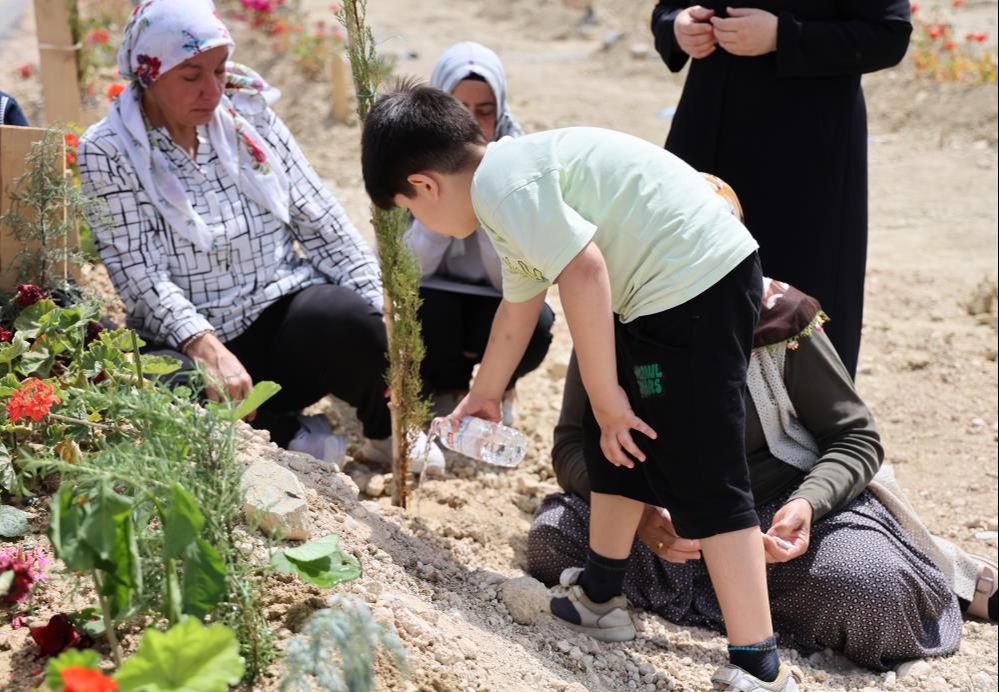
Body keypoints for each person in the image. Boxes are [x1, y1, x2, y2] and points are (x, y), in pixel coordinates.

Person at [362, 85, 799, 690]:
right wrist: (486, 392)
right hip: (662, 291)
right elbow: (519, 307)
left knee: (705, 465)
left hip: (697, 284)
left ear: (424, 185)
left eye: (410, 210)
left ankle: (759, 663)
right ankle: (599, 595)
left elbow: (585, 269)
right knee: (611, 441)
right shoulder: (507, 184)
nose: (423, 224)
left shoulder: (504, 187)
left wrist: (607, 394)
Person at [530, 277, 998, 672]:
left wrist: (804, 506)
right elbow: (572, 446)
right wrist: (641, 516)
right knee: (554, 537)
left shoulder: (779, 321)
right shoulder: (613, 317)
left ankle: (936, 568)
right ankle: (745, 607)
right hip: (664, 531)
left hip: (778, 522)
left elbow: (854, 438)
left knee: (872, 590)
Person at [77, 0, 441, 468]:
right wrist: (203, 345)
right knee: (159, 383)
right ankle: (285, 434)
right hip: (193, 343)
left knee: (354, 319)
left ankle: (386, 432)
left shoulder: (247, 113)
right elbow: (139, 273)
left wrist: (381, 313)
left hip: (279, 321)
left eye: (219, 70)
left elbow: (321, 219)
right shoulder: (108, 150)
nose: (212, 90)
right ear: (150, 75)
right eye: (191, 76)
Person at [650, 1, 912, 378]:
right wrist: (677, 27)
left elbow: (889, 35)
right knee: (686, 282)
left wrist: (784, 36)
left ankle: (805, 414)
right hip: (708, 131)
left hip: (806, 153)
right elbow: (669, 9)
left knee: (800, 296)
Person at [405, 41, 554, 423]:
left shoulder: (520, 163)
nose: (471, 124)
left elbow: (513, 280)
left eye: (485, 112)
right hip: (436, 300)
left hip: (498, 300)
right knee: (425, 311)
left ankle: (501, 385)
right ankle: (446, 387)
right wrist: (444, 207)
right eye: (459, 110)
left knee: (536, 322)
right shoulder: (412, 158)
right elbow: (408, 271)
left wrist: (486, 200)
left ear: (499, 111)